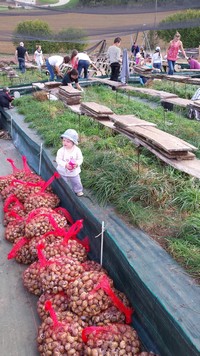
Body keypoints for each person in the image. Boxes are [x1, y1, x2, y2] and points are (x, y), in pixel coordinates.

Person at [56, 129, 84, 197]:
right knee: (63, 182)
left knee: (76, 181)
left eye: (68, 141)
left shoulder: (77, 150)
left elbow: (80, 159)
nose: (65, 143)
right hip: (63, 171)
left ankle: (78, 190)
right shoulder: (61, 151)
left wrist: (77, 164)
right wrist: (65, 164)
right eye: (64, 140)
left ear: (73, 142)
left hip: (74, 171)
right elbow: (58, 160)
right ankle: (63, 191)